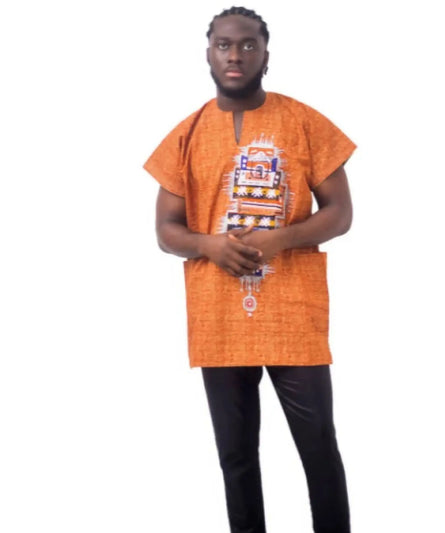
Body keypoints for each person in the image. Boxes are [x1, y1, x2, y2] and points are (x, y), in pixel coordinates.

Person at [143, 6, 357, 532]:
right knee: (236, 456)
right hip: (218, 316)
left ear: (265, 55)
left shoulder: (304, 122)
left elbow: (340, 213)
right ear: (208, 54)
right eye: (223, 45)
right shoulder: (186, 134)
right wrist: (209, 246)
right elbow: (166, 230)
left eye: (247, 45)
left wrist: (282, 237)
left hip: (293, 312)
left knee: (318, 446)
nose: (235, 55)